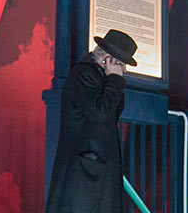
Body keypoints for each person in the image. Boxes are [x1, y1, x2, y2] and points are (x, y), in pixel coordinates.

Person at [45, 29, 138, 213]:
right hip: (85, 177)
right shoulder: (83, 75)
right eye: (120, 63)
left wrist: (113, 80)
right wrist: (114, 79)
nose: (123, 70)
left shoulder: (100, 78)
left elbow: (112, 112)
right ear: (106, 59)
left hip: (94, 176)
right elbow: (100, 112)